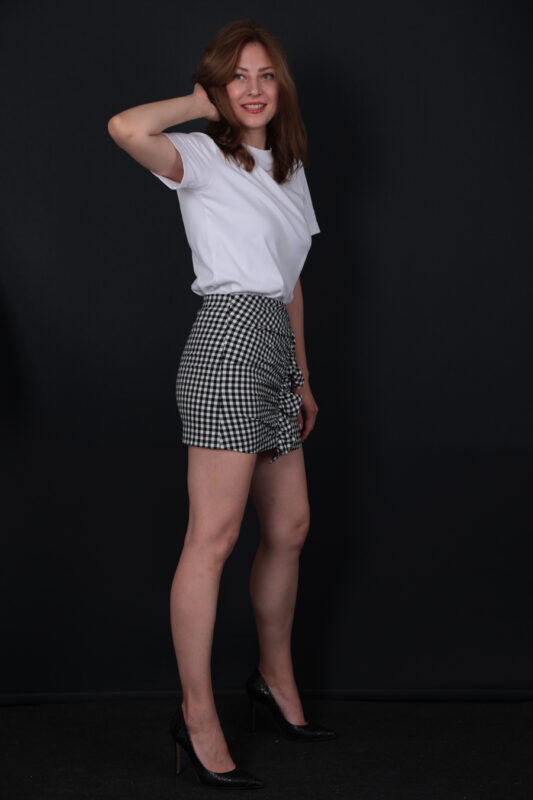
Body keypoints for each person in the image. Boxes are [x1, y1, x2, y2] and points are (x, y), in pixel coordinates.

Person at [107, 17, 337, 790]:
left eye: (265, 75)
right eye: (236, 76)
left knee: (290, 527)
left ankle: (273, 684)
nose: (252, 89)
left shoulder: (290, 170)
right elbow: (125, 127)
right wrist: (198, 106)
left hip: (274, 347)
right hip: (227, 343)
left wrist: (302, 376)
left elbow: (291, 282)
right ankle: (197, 714)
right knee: (214, 538)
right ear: (216, 86)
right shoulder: (202, 158)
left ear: (282, 87)